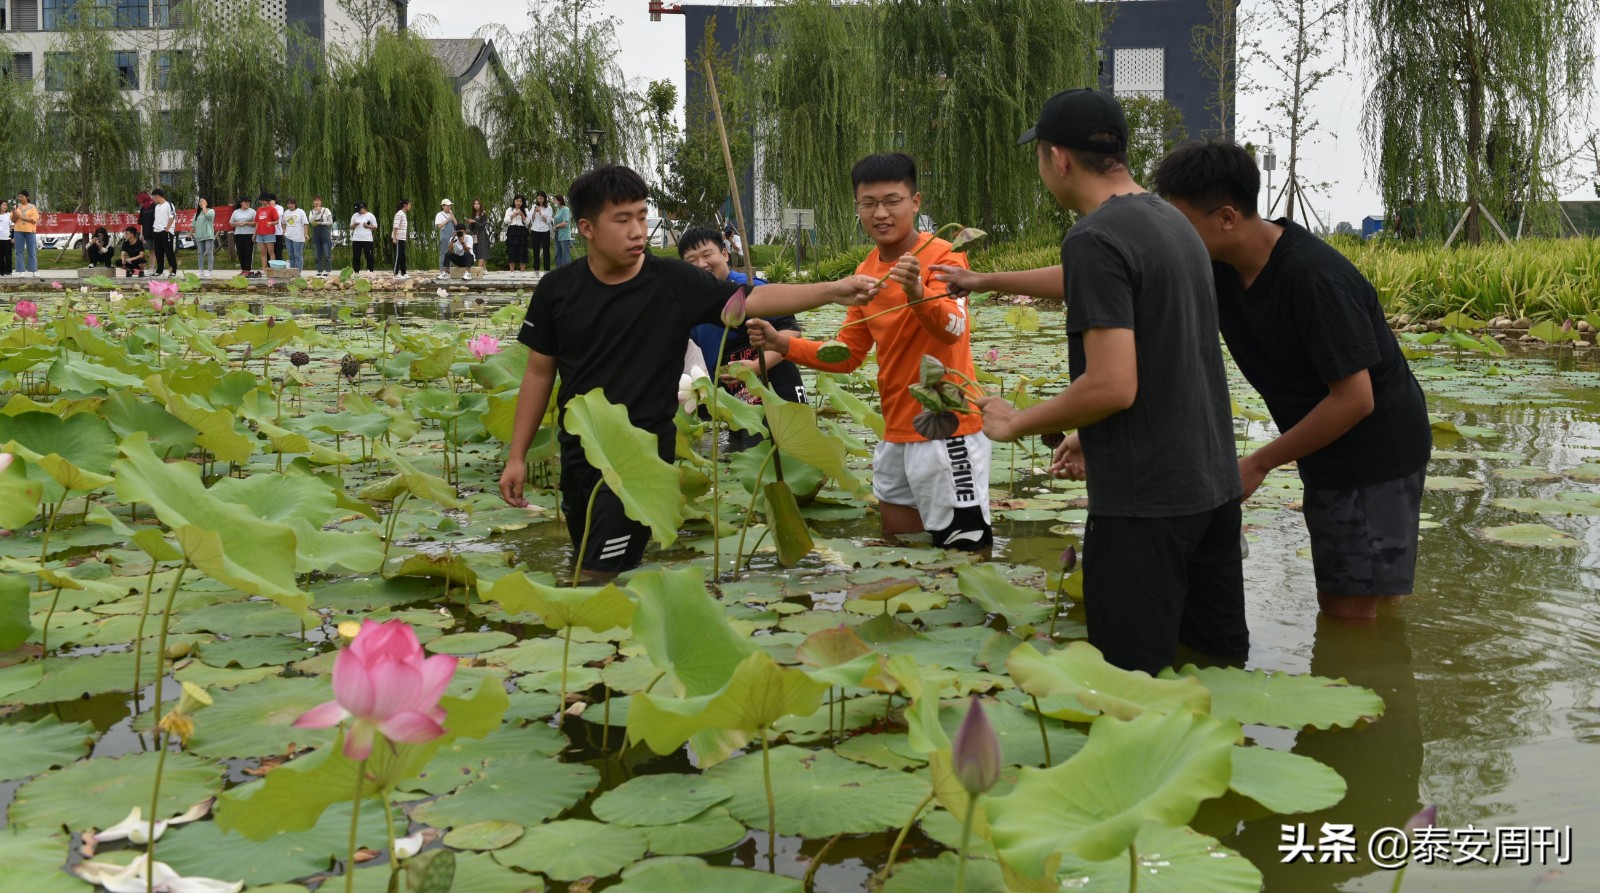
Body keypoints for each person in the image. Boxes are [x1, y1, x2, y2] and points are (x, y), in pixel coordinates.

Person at [947, 89, 1247, 674]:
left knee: (1129, 683)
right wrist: (982, 280)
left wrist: (1016, 422)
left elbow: (1113, 387)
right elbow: (1134, 319)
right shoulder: (1170, 222)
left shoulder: (1093, 237)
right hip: (1211, 489)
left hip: (1144, 505)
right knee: (1215, 671)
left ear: (1058, 158)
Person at [498, 164, 879, 576]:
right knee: (592, 563)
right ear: (586, 228)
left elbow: (751, 300)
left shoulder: (673, 281)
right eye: (622, 219)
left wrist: (833, 290)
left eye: (642, 216)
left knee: (600, 574)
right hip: (581, 454)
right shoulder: (557, 289)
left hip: (644, 458)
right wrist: (517, 455)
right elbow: (539, 374)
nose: (637, 231)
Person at [1153, 139, 1432, 621]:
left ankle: (1381, 678)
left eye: (1181, 223)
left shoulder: (1313, 278)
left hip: (1376, 449)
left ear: (1226, 217)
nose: (1172, 236)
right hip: (1325, 446)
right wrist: (990, 281)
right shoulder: (1219, 267)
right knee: (1360, 596)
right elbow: (1118, 277)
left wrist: (1259, 462)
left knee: (1349, 613)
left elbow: (1355, 400)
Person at [749, 153, 992, 551]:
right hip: (896, 431)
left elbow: (954, 327)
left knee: (964, 551)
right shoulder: (867, 270)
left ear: (915, 202)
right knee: (898, 547)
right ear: (857, 208)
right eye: (869, 203)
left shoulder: (945, 256)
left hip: (948, 428)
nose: (881, 213)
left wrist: (918, 293)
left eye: (892, 200)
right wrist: (782, 344)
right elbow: (846, 353)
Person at [679, 225, 804, 450]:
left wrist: (757, 366)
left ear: (725, 254)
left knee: (785, 458)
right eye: (691, 261)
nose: (701, 265)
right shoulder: (690, 308)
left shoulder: (750, 289)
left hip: (777, 389)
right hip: (736, 403)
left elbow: (792, 330)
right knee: (744, 460)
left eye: (707, 255)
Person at [150, 188, 177, 277]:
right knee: (158, 252)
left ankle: (173, 270)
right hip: (156, 231)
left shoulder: (169, 204)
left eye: (153, 197)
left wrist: (167, 228)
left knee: (169, 251)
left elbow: (172, 216)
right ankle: (159, 270)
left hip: (166, 231)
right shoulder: (156, 206)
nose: (153, 199)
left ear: (157, 196)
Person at [13, 190, 40, 276]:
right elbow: (13, 220)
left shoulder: (32, 207)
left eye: (22, 197)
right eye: (19, 197)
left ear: (27, 197)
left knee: (31, 251)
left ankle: (34, 270)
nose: (20, 198)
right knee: (19, 251)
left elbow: (33, 220)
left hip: (30, 231)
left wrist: (21, 216)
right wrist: (14, 214)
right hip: (18, 231)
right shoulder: (16, 206)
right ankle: (21, 271)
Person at [230, 196, 257, 274]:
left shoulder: (252, 211)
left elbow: (256, 223)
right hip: (238, 234)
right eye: (246, 202)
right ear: (241, 203)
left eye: (249, 202)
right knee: (240, 252)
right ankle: (243, 269)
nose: (247, 203)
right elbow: (231, 223)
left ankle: (248, 270)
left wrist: (246, 223)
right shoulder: (236, 212)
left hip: (249, 234)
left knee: (248, 252)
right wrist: (237, 223)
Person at [350, 201, 378, 272]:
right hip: (356, 239)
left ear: (363, 208)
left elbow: (375, 226)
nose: (358, 212)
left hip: (367, 239)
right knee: (356, 256)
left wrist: (367, 226)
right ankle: (356, 271)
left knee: (369, 256)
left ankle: (370, 271)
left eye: (359, 210)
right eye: (357, 210)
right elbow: (351, 227)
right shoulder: (354, 215)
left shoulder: (370, 215)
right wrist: (354, 225)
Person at [309, 196, 335, 274]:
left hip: (324, 231)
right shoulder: (312, 211)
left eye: (318, 200)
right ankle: (319, 271)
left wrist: (321, 223)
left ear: (321, 202)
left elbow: (330, 222)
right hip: (316, 232)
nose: (317, 202)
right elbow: (310, 221)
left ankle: (328, 271)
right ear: (313, 203)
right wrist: (316, 212)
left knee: (327, 253)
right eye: (315, 200)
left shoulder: (326, 210)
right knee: (317, 254)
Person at [504, 195, 530, 271]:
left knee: (522, 251)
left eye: (521, 201)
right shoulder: (510, 209)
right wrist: (512, 216)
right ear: (514, 201)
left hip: (522, 231)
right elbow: (505, 220)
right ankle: (511, 271)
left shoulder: (525, 210)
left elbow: (528, 222)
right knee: (511, 251)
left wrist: (522, 216)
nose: (519, 203)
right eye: (517, 201)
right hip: (512, 231)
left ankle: (522, 271)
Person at [281, 197, 308, 271]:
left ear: (295, 204)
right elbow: (283, 222)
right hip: (288, 237)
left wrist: (306, 234)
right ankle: (292, 272)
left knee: (298, 255)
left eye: (291, 203)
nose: (290, 205)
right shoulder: (286, 212)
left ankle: (298, 273)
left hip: (298, 237)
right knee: (291, 255)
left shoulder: (301, 212)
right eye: (288, 204)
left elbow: (305, 224)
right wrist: (284, 230)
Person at [530, 191, 554, 271]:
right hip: (535, 230)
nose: (540, 200)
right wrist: (534, 212)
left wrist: (540, 213)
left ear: (544, 198)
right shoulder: (534, 206)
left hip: (545, 230)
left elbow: (547, 221)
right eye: (538, 198)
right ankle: (536, 269)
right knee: (535, 250)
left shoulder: (549, 208)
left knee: (546, 250)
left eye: (541, 198)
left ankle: (547, 269)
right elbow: (531, 219)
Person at [254, 192, 280, 268]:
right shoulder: (259, 210)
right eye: (261, 200)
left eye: (263, 200)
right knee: (263, 253)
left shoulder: (272, 209)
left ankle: (273, 269)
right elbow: (257, 222)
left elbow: (277, 221)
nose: (262, 202)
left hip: (269, 233)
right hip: (260, 233)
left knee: (271, 252)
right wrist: (255, 233)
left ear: (267, 200)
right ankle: (264, 269)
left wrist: (271, 223)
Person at [192, 199, 216, 276]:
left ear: (207, 203)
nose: (201, 203)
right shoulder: (197, 213)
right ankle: (200, 270)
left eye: (203, 201)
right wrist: (190, 233)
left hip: (208, 235)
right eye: (200, 202)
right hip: (199, 236)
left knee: (209, 252)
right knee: (200, 253)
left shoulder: (211, 211)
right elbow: (193, 224)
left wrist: (204, 207)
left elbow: (208, 216)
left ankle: (209, 270)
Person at [435, 198, 457, 274]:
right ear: (443, 206)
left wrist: (452, 215)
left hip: (452, 236)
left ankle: (449, 269)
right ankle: (442, 270)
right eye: (447, 206)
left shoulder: (450, 214)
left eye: (450, 206)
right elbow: (439, 226)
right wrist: (447, 219)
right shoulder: (439, 214)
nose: (449, 207)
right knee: (443, 253)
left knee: (451, 252)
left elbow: (456, 223)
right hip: (444, 236)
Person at [391, 198, 411, 278]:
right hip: (398, 238)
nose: (410, 206)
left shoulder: (403, 214)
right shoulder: (399, 214)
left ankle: (404, 272)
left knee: (403, 256)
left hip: (402, 238)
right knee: (398, 255)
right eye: (409, 204)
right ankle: (395, 273)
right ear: (405, 205)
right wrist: (395, 238)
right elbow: (395, 227)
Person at [469, 199, 491, 268]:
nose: (476, 205)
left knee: (482, 251)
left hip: (482, 234)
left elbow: (482, 225)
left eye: (478, 204)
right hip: (475, 234)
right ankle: (484, 269)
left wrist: (474, 222)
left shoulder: (483, 213)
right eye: (475, 204)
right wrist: (470, 223)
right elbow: (471, 228)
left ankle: (479, 269)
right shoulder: (473, 214)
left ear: (480, 205)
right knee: (477, 251)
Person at [553, 194, 574, 267]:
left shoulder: (566, 209)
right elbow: (555, 220)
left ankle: (566, 271)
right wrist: (554, 226)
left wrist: (556, 226)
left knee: (565, 254)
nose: (554, 202)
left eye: (554, 200)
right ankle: (559, 270)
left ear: (559, 201)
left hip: (564, 235)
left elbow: (565, 223)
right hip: (557, 234)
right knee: (557, 253)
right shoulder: (558, 209)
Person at [0, 200, 12, 277]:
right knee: (0, 256)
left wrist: (12, 237)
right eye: (3, 205)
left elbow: (12, 226)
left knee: (8, 256)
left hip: (7, 238)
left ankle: (8, 271)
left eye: (6, 205)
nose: (5, 206)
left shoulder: (9, 215)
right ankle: (1, 271)